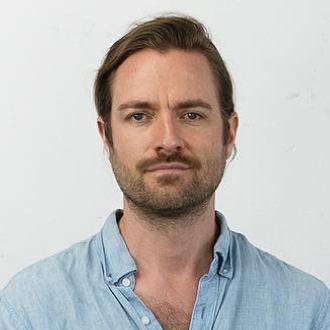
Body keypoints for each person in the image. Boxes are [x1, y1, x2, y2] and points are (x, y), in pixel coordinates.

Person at [0, 15, 329, 330]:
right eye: (140, 116)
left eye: (192, 115)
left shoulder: (308, 310)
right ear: (106, 136)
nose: (168, 140)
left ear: (229, 134)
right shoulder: (29, 310)